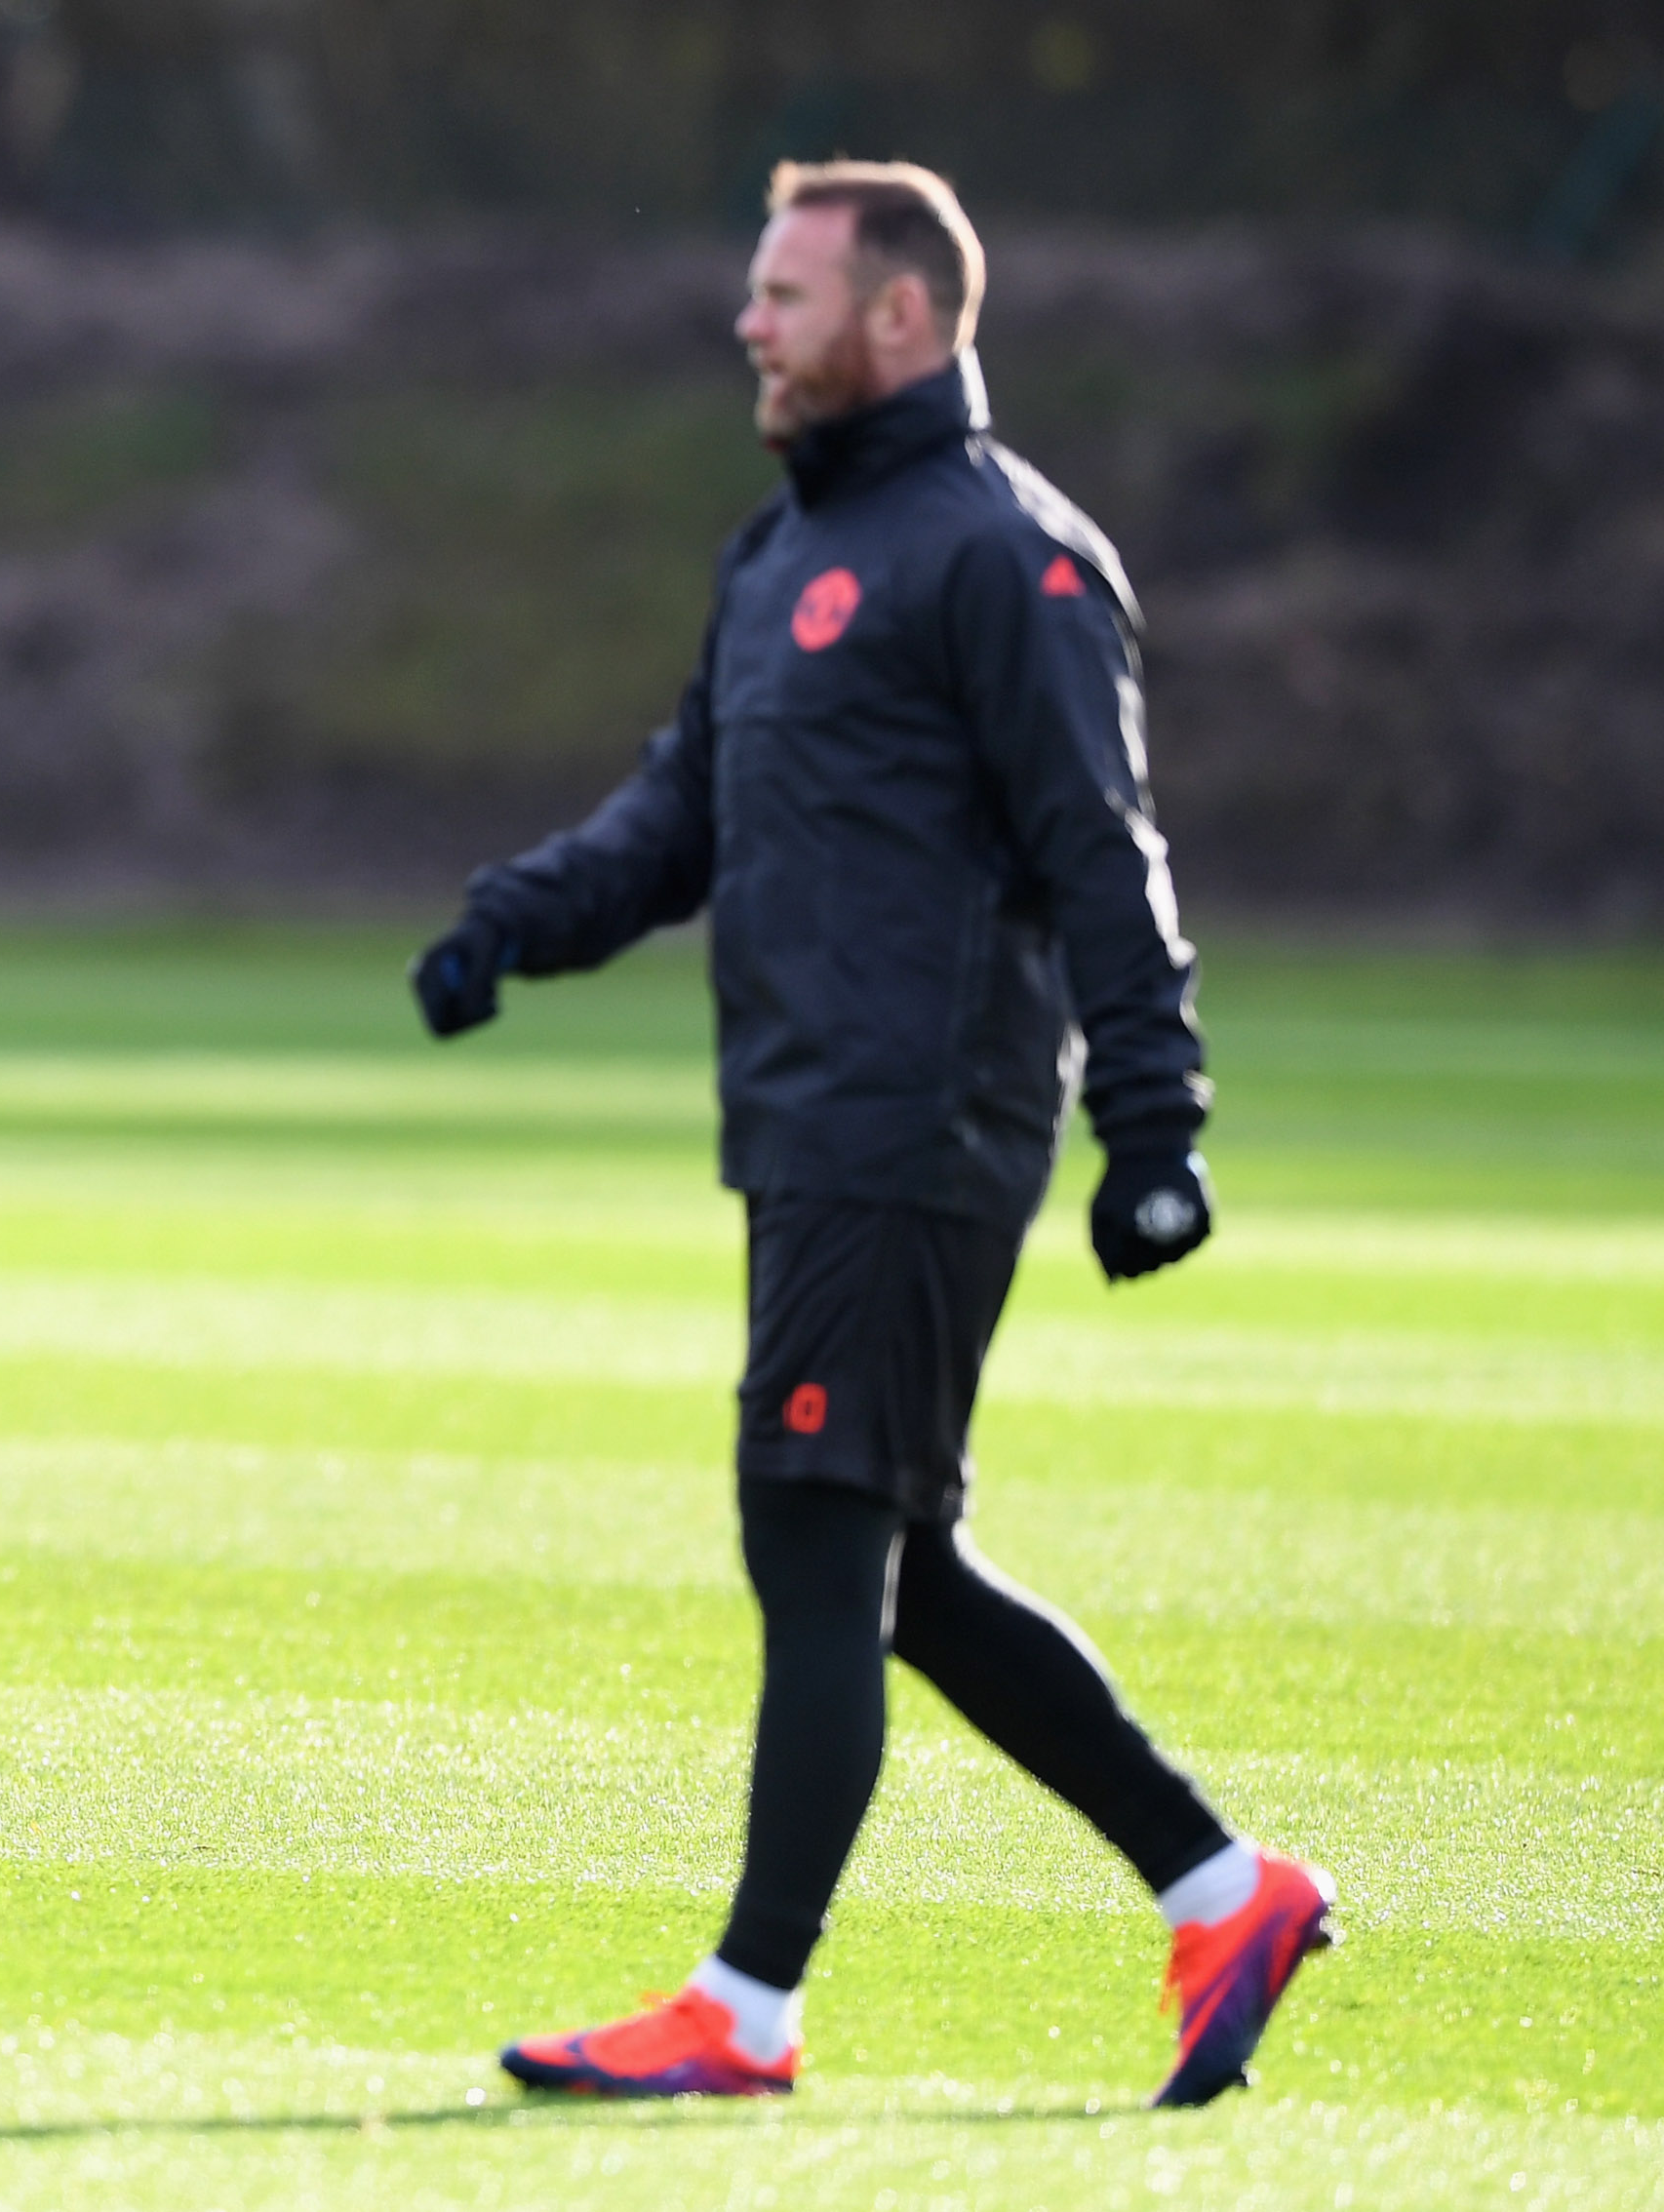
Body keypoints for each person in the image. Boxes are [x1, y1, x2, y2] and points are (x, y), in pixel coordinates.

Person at [413, 161, 1332, 2109]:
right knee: (891, 1561)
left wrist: (1156, 1122)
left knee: (820, 1532)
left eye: (784, 292)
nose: (749, 323)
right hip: (813, 1126)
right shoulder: (783, 554)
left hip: (921, 1126)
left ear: (900, 317)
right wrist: (516, 922)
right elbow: (682, 815)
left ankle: (745, 2009)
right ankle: (1221, 1886)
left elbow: (1104, 847)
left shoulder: (1010, 555)